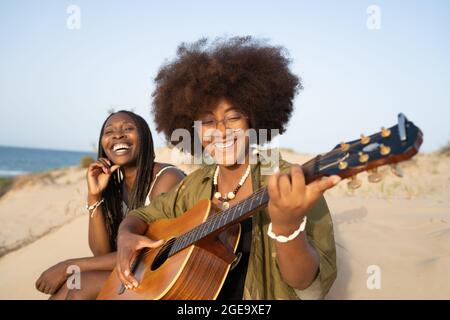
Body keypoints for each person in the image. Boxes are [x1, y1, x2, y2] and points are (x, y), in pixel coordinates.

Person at [115, 37, 340, 300]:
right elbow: (144, 214)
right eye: (208, 121)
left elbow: (308, 287)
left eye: (233, 117)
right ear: (194, 130)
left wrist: (287, 228)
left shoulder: (289, 179)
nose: (221, 131)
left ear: (253, 120)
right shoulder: (196, 183)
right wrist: (126, 234)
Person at [35, 110, 185, 300]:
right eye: (109, 132)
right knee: (74, 283)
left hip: (168, 273)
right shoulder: (118, 187)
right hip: (138, 271)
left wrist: (69, 266)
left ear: (145, 138)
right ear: (103, 145)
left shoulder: (166, 178)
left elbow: (150, 250)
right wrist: (94, 195)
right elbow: (101, 252)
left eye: (128, 129)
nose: (118, 135)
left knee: (81, 284)